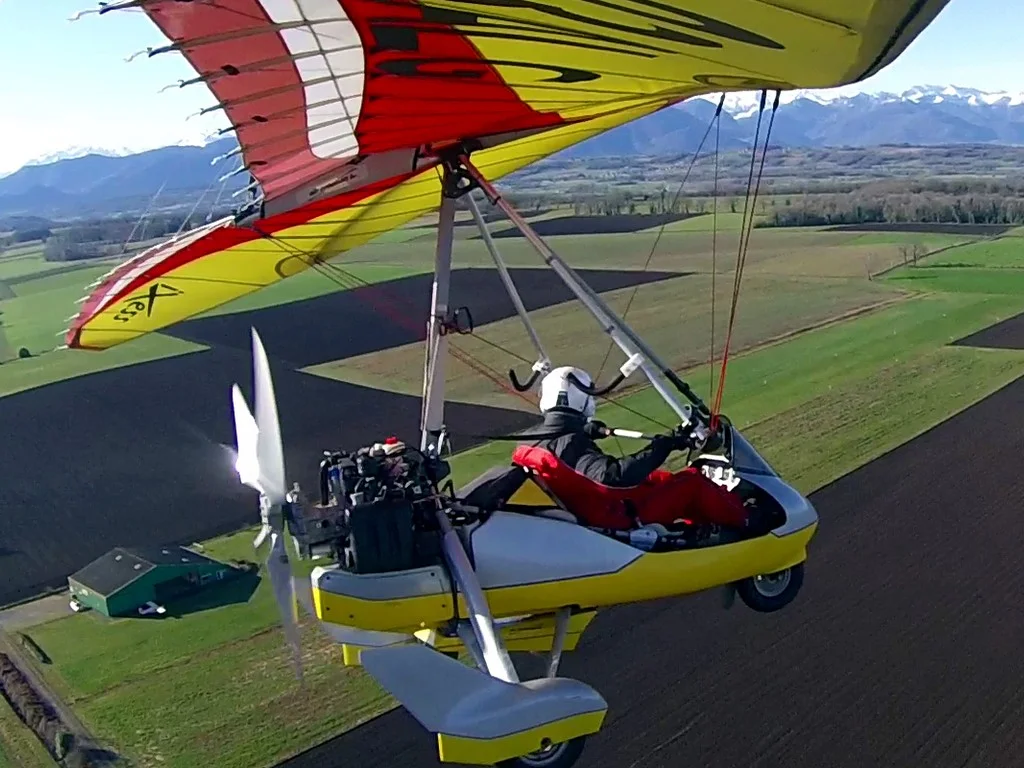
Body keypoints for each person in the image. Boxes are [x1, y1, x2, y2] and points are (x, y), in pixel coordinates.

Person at [511, 366, 766, 534]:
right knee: (693, 482)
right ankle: (746, 521)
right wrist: (662, 446)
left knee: (660, 478)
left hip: (591, 507)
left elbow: (578, 461)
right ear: (583, 400)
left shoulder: (539, 440)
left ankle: (702, 527)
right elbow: (612, 478)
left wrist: (583, 430)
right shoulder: (570, 443)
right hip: (619, 518)